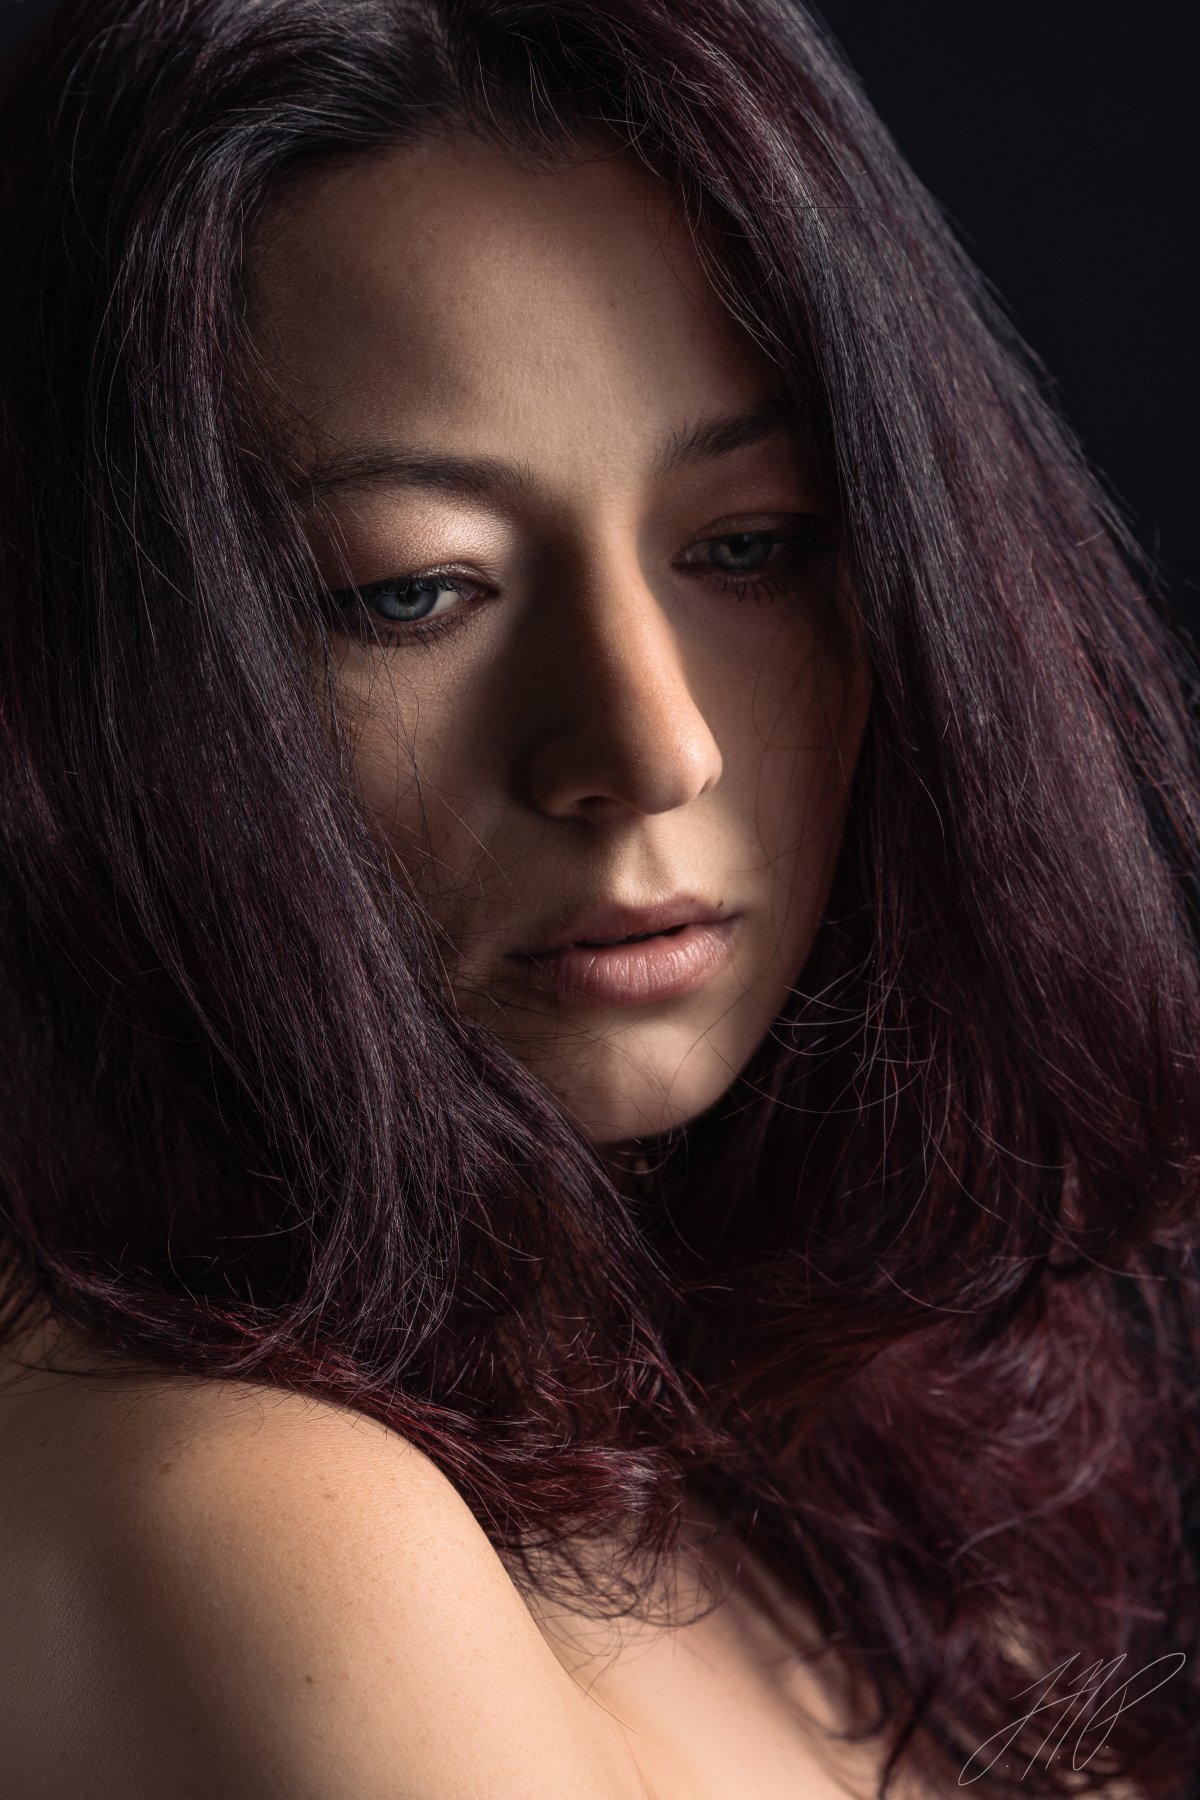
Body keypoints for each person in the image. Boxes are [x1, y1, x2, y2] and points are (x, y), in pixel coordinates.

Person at [0, 1, 1196, 1795]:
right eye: (411, 591)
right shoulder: (253, 1521)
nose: (652, 748)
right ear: (78, 682)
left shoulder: (804, 1461)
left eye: (749, 546)